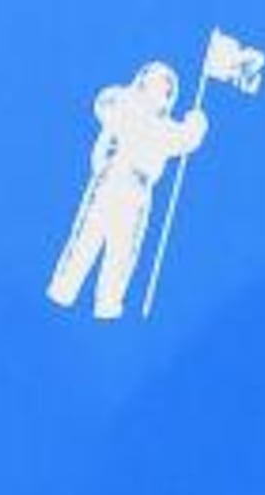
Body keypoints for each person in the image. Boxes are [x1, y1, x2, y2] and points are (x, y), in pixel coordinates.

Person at [46, 61, 205, 321]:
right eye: (151, 84)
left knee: (121, 251)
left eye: (163, 90)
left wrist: (196, 124)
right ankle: (63, 291)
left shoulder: (162, 128)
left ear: (168, 98)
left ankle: (107, 306)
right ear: (141, 84)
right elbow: (104, 103)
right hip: (112, 180)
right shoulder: (125, 109)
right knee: (87, 239)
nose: (156, 93)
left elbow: (184, 139)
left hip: (138, 190)